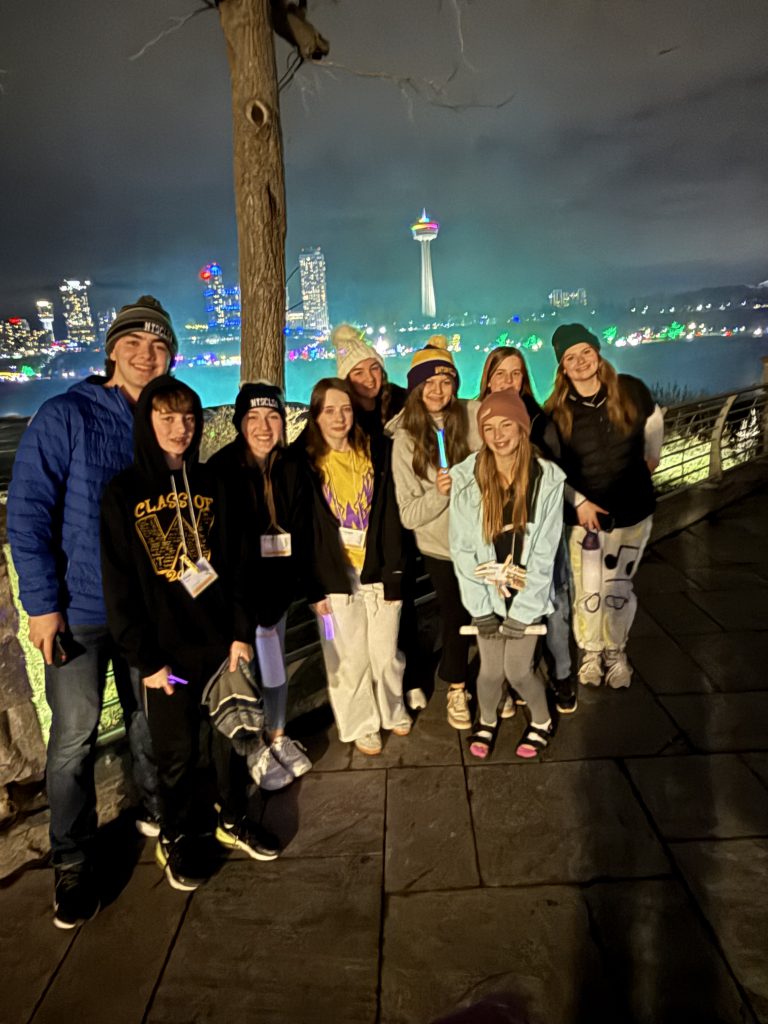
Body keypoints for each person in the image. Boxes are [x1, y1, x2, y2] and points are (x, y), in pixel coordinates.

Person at [6, 295, 175, 929]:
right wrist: (43, 606)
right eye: (134, 342)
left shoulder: (163, 422)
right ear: (111, 349)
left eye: (159, 346)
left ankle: (156, 809)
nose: (146, 353)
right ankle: (72, 859)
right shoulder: (65, 415)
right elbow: (26, 516)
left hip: (146, 613)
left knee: (149, 720)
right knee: (71, 742)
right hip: (77, 612)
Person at [100, 376, 278, 892]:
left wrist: (241, 632)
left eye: (188, 419)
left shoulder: (214, 484)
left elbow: (241, 561)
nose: (180, 429)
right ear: (147, 423)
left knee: (231, 740)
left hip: (222, 643)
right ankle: (175, 835)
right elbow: (120, 583)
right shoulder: (123, 493)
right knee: (174, 753)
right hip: (166, 654)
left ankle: (232, 819)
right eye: (167, 418)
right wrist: (145, 658)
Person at [292, 377, 409, 756]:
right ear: (315, 416)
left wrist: (395, 572)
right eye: (329, 410)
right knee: (346, 659)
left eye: (345, 408)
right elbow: (301, 531)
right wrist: (313, 589)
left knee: (385, 652)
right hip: (333, 580)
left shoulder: (377, 450)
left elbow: (390, 515)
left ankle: (393, 708)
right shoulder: (304, 463)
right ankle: (361, 724)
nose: (339, 417)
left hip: (377, 569)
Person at [545, 323, 663, 688]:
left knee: (619, 587)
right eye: (570, 357)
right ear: (562, 368)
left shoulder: (629, 389)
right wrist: (578, 502)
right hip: (585, 522)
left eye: (585, 352)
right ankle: (591, 653)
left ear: (597, 354)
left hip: (633, 513)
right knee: (588, 588)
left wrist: (651, 456)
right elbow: (551, 469)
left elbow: (654, 420)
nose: (580, 362)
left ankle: (616, 650)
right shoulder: (556, 411)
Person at [207, 381, 312, 789]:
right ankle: (251, 752)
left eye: (273, 417)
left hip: (277, 593)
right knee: (240, 679)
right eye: (253, 417)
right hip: (235, 597)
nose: (265, 426)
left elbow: (301, 526)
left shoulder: (289, 466)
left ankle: (277, 736)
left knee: (275, 673)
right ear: (239, 423)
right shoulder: (221, 471)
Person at [450, 390, 565, 758]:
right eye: (488, 427)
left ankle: (542, 720)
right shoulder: (468, 478)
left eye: (506, 425)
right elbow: (462, 547)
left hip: (525, 592)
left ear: (522, 427)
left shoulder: (546, 479)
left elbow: (545, 553)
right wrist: (481, 608)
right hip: (486, 590)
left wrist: (523, 612)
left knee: (517, 671)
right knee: (488, 672)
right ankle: (486, 719)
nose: (498, 435)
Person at [475, 347, 576, 714]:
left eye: (515, 374)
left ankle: (562, 674)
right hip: (496, 535)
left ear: (525, 379)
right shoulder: (478, 417)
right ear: (487, 377)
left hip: (539, 531)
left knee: (554, 603)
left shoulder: (541, 422)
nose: (507, 381)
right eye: (500, 373)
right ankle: (521, 674)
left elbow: (557, 480)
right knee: (505, 604)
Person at [389, 338, 481, 729]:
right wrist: (440, 494)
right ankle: (457, 689)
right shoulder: (405, 440)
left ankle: (496, 682)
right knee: (457, 614)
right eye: (428, 383)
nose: (437, 390)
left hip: (483, 540)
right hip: (440, 547)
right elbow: (409, 515)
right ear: (415, 389)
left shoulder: (475, 417)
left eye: (445, 381)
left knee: (490, 612)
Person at [332, 323, 408, 437]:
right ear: (346, 379)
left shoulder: (401, 400)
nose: (370, 378)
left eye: (374, 368)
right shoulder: (339, 415)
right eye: (359, 373)